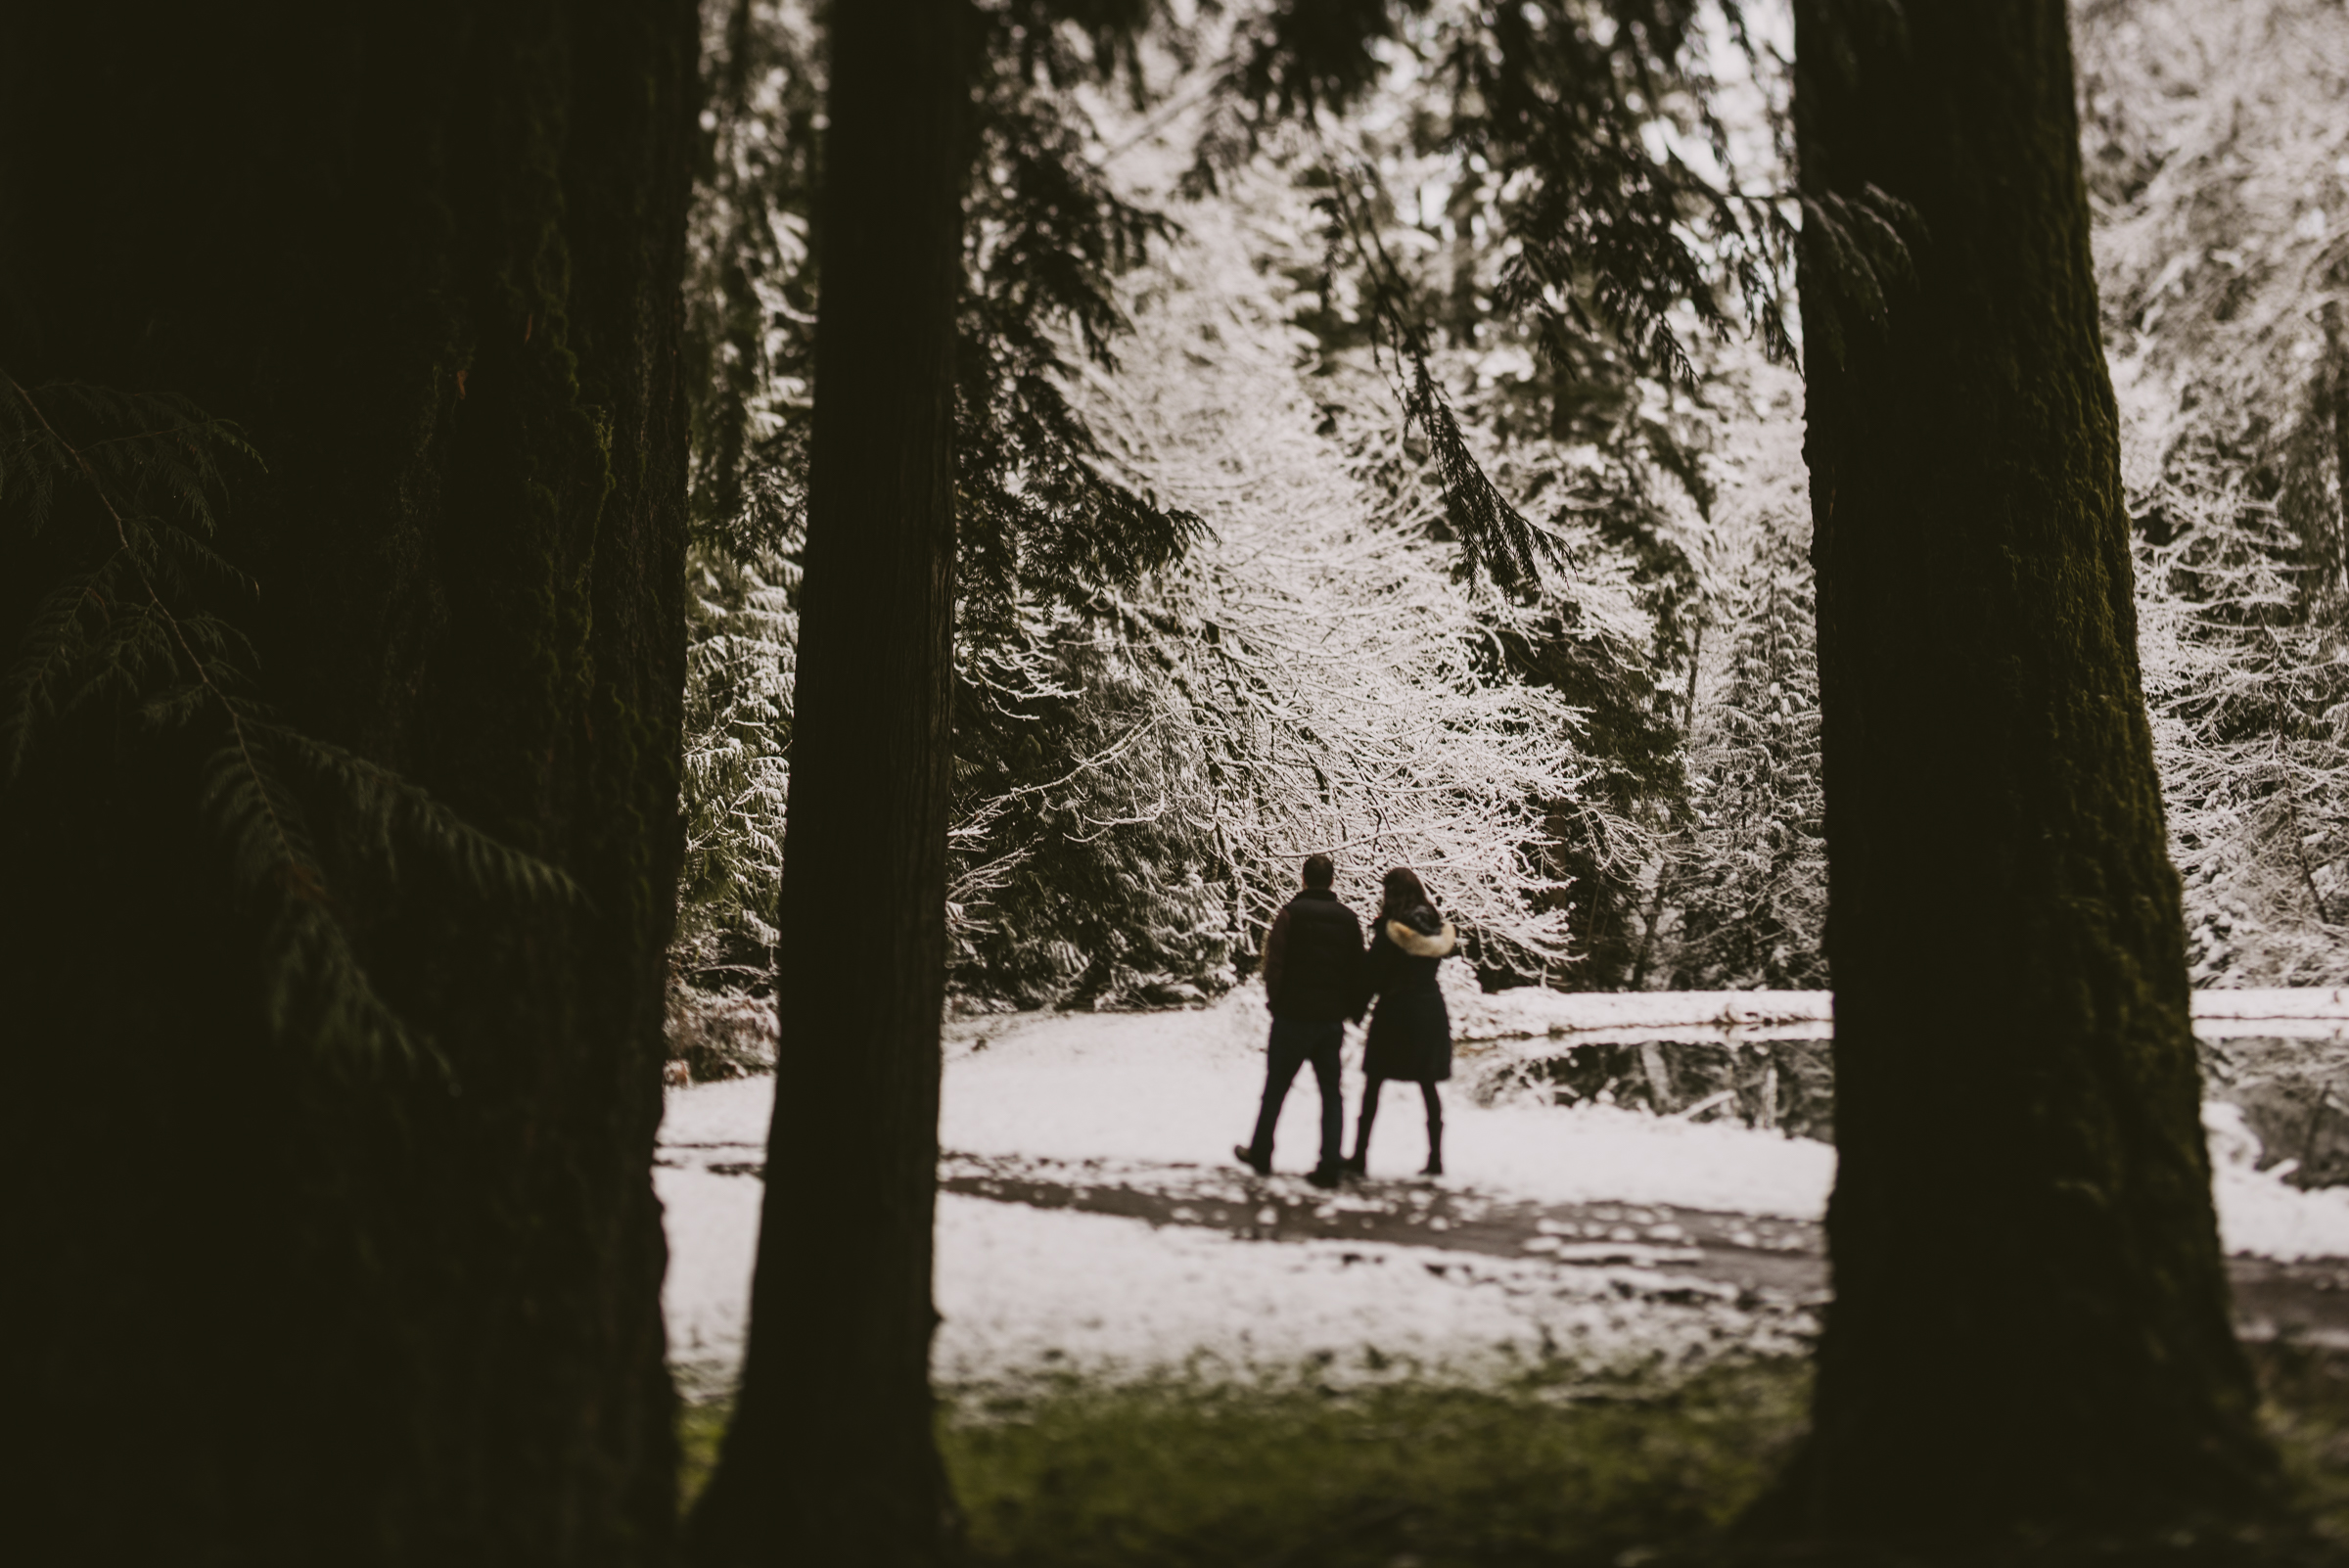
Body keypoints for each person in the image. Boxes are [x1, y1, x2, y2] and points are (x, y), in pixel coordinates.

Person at [1234, 853, 1365, 1187]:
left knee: (1276, 1087)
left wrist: (1276, 1003)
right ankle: (1330, 1163)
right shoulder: (1348, 920)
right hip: (1329, 1020)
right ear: (1332, 880)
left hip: (1292, 1016)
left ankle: (1262, 1151)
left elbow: (1274, 964)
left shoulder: (1289, 915)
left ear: (1303, 879)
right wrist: (1350, 1010)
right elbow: (1357, 972)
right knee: (1331, 1093)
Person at [1346, 867, 1455, 1178]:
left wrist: (1355, 1009)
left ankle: (1359, 1157)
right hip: (1430, 1010)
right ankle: (1435, 1159)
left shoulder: (1393, 930)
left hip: (1396, 1011)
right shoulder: (1435, 926)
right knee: (1428, 1085)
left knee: (1374, 1084)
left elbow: (1372, 973)